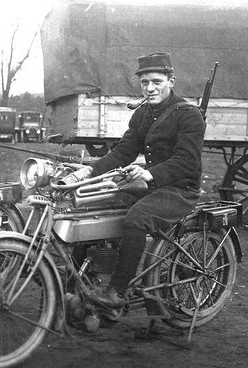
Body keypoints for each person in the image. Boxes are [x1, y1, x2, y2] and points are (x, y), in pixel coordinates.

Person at [85, 52, 206, 309]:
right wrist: (88, 172)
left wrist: (149, 173)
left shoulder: (189, 115)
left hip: (180, 190)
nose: (150, 88)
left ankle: (116, 292)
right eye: (144, 82)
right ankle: (86, 279)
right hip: (153, 187)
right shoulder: (141, 114)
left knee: (137, 217)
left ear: (171, 81)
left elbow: (187, 161)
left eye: (157, 81)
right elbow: (122, 152)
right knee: (97, 204)